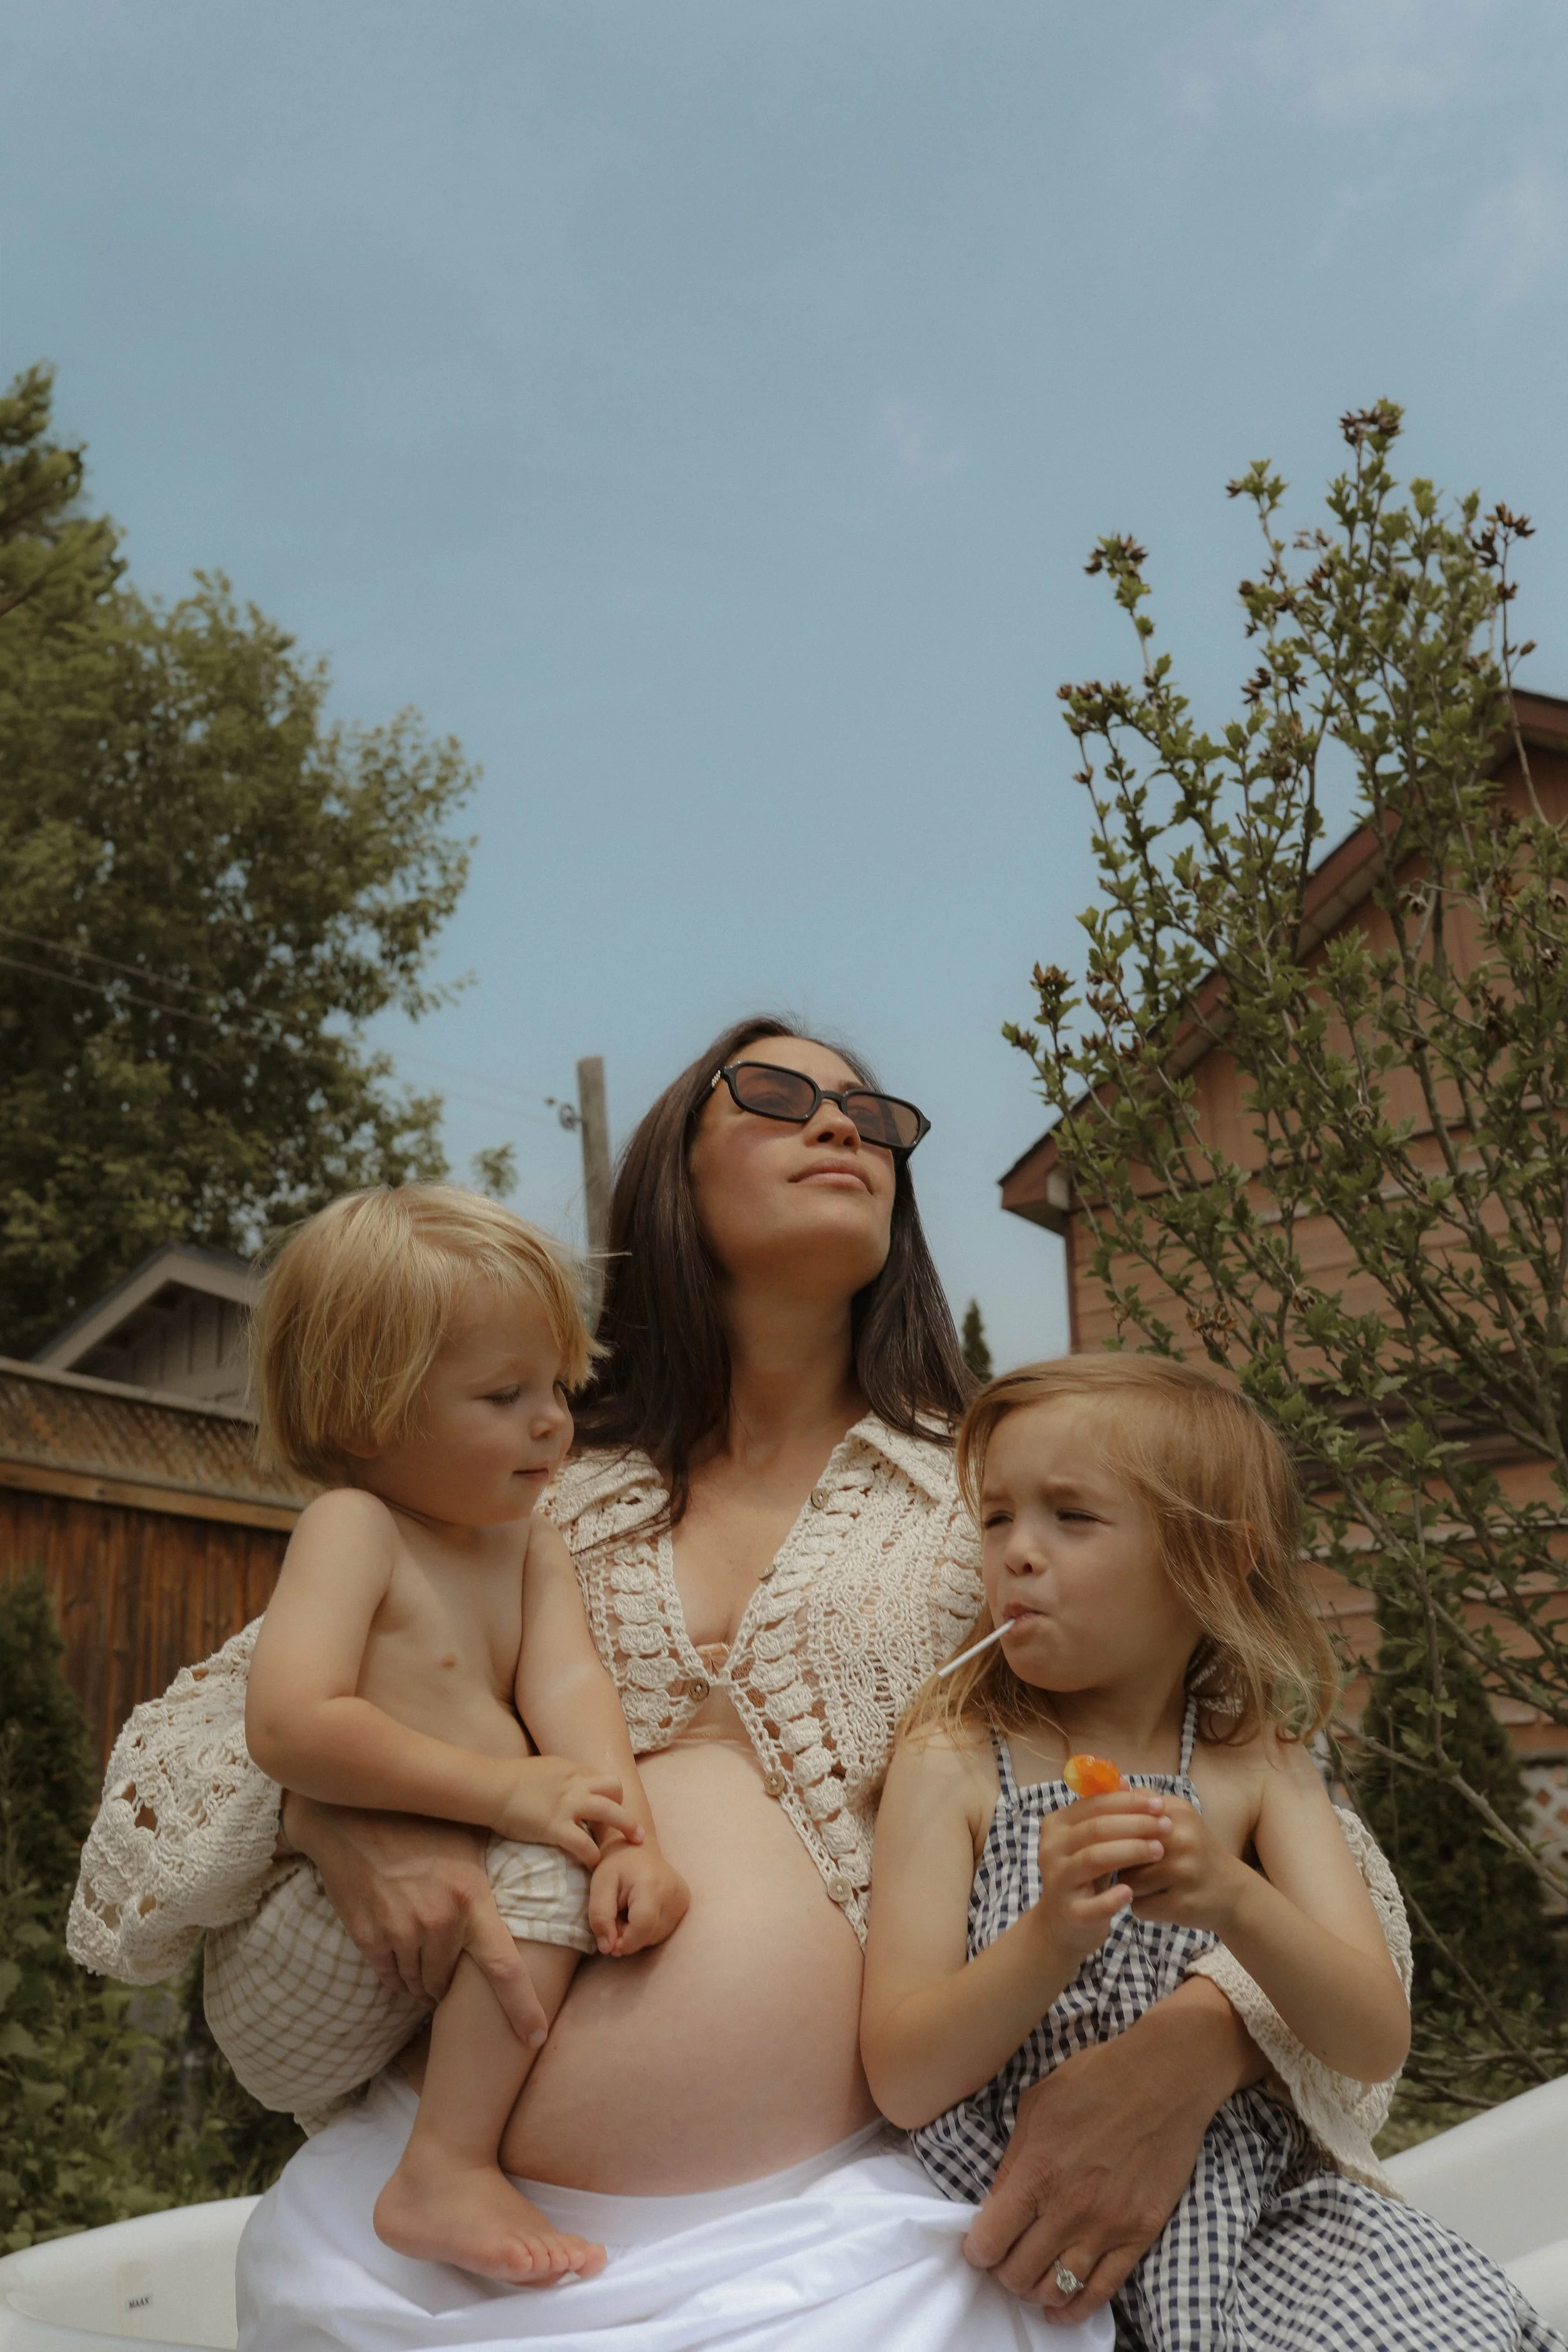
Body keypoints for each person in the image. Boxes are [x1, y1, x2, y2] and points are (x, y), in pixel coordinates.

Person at [70, 1016, 1399, 2352]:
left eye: (872, 1116)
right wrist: (329, 1814)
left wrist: (1195, 2046)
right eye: (778, 1096)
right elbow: (184, 1749)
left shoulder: (1003, 1505)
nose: (842, 1127)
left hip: (848, 2247)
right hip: (415, 2231)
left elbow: (1283, 1828)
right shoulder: (520, 1483)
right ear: (670, 1169)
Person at [862, 1355, 1563, 2351]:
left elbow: (1370, 2034)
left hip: (1255, 2214)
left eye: (1072, 1515)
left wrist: (1238, 1898)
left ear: (1215, 1558)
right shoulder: (956, 1759)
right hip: (1009, 2218)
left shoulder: (1258, 1765)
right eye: (998, 1517)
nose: (1017, 1551)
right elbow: (902, 2072)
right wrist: (1051, 1934)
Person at [243, 1187, 687, 2284]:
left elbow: (573, 1685)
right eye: (504, 1394)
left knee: (564, 1832)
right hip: (305, 1947)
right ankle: (443, 2167)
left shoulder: (526, 1546)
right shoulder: (357, 1528)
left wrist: (632, 1833)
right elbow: (290, 1723)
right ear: (364, 1414)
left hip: (422, 1960)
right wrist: (510, 1796)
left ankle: (433, 2150)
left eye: (558, 1387)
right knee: (542, 1842)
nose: (552, 1422)